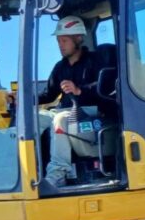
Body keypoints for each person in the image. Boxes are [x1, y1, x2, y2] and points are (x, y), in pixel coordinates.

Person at [35, 15, 101, 188]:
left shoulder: (95, 61)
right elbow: (48, 95)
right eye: (58, 41)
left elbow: (106, 88)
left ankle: (58, 173)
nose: (60, 45)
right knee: (32, 119)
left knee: (60, 120)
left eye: (64, 40)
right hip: (65, 111)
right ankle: (31, 170)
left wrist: (79, 90)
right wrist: (25, 99)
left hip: (90, 112)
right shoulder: (60, 67)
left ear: (78, 38)